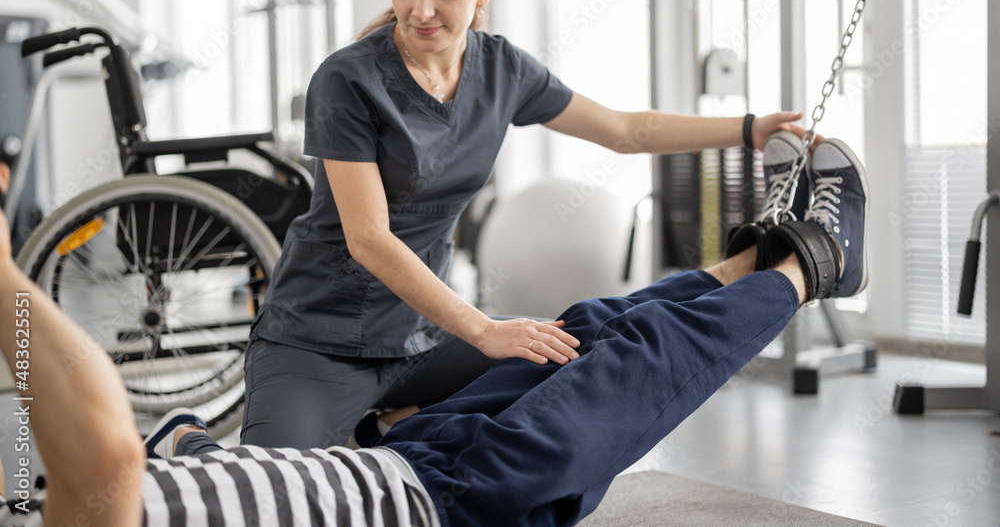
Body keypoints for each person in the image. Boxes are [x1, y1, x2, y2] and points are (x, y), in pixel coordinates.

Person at [0, 133, 869, 526]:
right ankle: (810, 264)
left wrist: (193, 445)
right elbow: (107, 465)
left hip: (393, 458)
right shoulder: (86, 507)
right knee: (633, 367)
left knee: (582, 329)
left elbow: (160, 451)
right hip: (455, 504)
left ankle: (756, 262)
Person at [242, 0, 814, 449]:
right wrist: (484, 331)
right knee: (266, 494)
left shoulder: (502, 70)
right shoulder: (347, 79)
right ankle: (195, 438)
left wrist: (748, 130)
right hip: (317, 338)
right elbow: (368, 239)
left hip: (424, 337)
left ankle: (395, 428)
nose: (420, 10)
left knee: (576, 359)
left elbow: (620, 130)